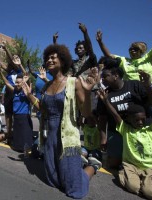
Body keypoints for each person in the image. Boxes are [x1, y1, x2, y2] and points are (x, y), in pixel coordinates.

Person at [22, 44, 100, 198]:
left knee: (74, 189)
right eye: (47, 58)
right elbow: (44, 110)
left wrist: (88, 91)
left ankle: (92, 166)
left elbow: (85, 112)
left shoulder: (73, 82)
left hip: (68, 138)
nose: (49, 60)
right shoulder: (46, 87)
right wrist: (30, 96)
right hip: (50, 138)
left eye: (53, 57)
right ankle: (78, 166)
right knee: (54, 181)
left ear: (63, 60)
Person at [96, 8, 152, 163]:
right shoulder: (124, 61)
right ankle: (132, 152)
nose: (131, 50)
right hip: (132, 97)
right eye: (130, 48)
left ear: (142, 51)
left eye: (135, 49)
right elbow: (109, 55)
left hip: (149, 96)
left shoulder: (150, 58)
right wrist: (100, 42)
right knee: (131, 126)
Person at [97, 82, 152, 199]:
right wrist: (106, 101)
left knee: (150, 193)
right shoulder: (125, 129)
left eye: (142, 119)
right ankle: (141, 180)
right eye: (136, 120)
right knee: (133, 187)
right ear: (129, 119)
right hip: (132, 167)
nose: (140, 123)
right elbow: (115, 114)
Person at [96, 57, 152, 168]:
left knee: (142, 163)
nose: (102, 80)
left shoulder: (135, 85)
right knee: (113, 164)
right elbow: (102, 118)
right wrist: (103, 137)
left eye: (105, 76)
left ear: (116, 76)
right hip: (118, 132)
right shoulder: (105, 94)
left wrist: (148, 86)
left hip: (140, 131)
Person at [0, 71, 33, 152]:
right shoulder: (14, 91)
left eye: (19, 82)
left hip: (24, 116)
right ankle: (18, 147)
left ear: (23, 82)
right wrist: (1, 73)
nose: (16, 84)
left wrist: (25, 80)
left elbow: (28, 82)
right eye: (16, 82)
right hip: (16, 116)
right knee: (18, 136)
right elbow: (7, 83)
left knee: (25, 137)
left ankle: (27, 149)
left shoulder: (26, 91)